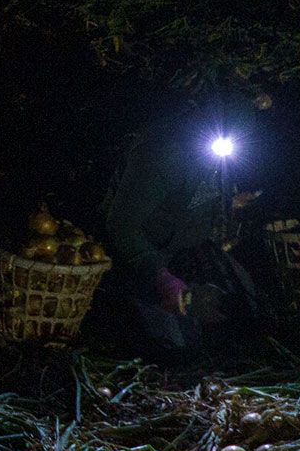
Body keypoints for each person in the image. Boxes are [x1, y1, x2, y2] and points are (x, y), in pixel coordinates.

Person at [97, 115, 264, 361]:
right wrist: (161, 276)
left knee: (246, 313)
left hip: (182, 254)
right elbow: (121, 225)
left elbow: (204, 211)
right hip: (133, 258)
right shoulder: (165, 154)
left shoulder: (223, 158)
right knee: (176, 346)